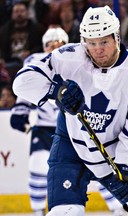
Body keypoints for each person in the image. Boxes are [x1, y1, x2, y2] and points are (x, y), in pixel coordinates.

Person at [13, 5, 128, 215]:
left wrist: (126, 169)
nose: (98, 49)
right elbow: (21, 83)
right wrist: (55, 91)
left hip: (114, 150)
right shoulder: (68, 57)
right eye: (91, 43)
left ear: (117, 37)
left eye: (104, 41)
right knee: (66, 211)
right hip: (71, 147)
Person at [10, 27, 68, 216]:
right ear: (44, 46)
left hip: (71, 127)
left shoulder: (75, 63)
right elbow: (25, 88)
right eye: (50, 45)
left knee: (92, 166)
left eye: (58, 45)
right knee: (37, 164)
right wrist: (21, 112)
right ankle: (37, 211)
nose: (53, 48)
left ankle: (117, 208)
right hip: (44, 128)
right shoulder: (36, 63)